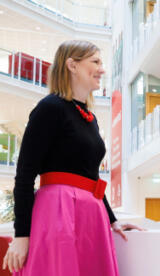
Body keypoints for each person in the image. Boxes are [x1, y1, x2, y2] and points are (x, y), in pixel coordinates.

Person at [2, 40, 142, 275]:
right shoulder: (49, 108)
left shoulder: (90, 118)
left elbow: (92, 177)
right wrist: (22, 235)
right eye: (95, 61)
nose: (102, 69)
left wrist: (112, 220)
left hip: (91, 214)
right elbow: (24, 176)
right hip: (58, 211)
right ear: (72, 65)